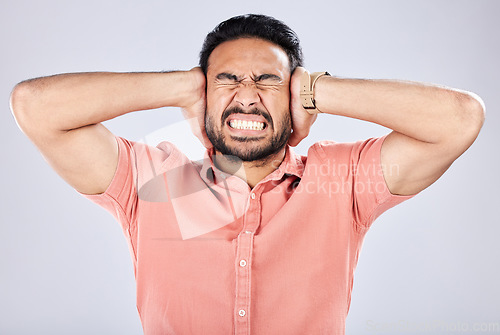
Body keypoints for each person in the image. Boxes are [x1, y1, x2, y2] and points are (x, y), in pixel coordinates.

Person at [10, 13, 484, 335]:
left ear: (296, 95)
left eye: (268, 80)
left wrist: (317, 89)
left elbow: (460, 119)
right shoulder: (149, 183)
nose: (247, 95)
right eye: (227, 79)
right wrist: (182, 86)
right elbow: (34, 106)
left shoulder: (344, 180)